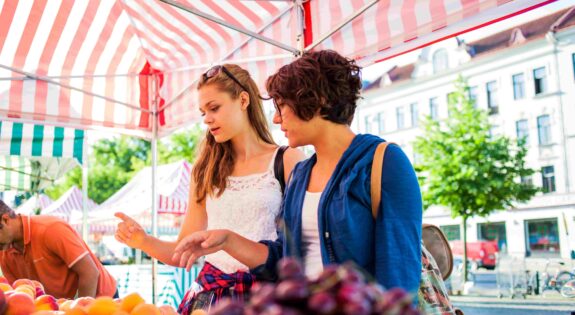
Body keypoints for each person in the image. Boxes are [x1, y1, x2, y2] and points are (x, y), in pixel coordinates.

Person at [173, 50, 423, 296]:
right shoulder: (302, 173)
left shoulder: (384, 161)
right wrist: (227, 240)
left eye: (282, 106)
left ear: (316, 101)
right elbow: (283, 259)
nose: (277, 119)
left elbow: (399, 274)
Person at [114, 64, 304, 313]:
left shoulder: (288, 160)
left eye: (214, 108)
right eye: (203, 112)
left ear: (243, 100)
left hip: (266, 299)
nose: (206, 119)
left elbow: (299, 250)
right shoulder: (205, 169)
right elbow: (181, 254)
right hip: (208, 299)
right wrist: (143, 240)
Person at [0, 200, 117, 299]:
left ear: (5, 220)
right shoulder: (3, 250)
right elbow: (22, 294)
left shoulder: (50, 229)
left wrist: (79, 311)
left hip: (101, 298)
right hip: (62, 307)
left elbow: (90, 273)